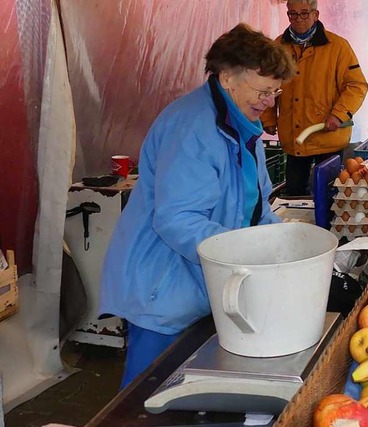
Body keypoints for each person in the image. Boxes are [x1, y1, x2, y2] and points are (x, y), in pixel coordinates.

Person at [99, 23, 296, 389]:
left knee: (185, 392)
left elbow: (254, 207)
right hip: (163, 287)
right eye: (263, 90)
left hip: (201, 282)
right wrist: (246, 254)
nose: (269, 101)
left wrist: (283, 246)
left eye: (275, 91)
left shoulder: (242, 125)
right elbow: (177, 219)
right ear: (227, 77)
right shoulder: (193, 127)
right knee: (146, 397)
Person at [261, 0, 368, 196]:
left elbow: (356, 85)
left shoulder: (338, 47)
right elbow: (267, 85)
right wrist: (268, 117)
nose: (298, 19)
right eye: (293, 14)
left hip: (328, 137)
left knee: (329, 197)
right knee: (294, 194)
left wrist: (338, 115)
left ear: (316, 14)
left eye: (304, 13)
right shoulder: (277, 47)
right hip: (295, 139)